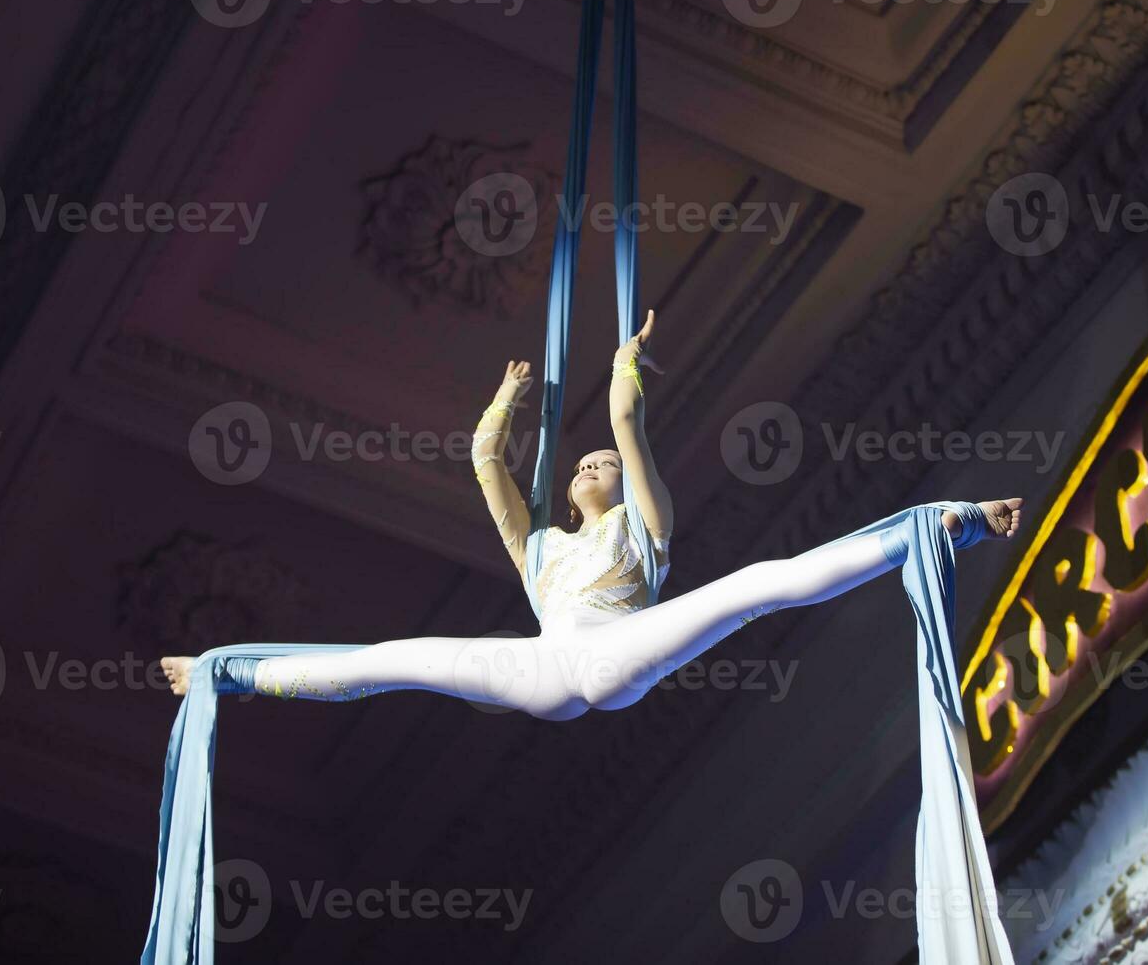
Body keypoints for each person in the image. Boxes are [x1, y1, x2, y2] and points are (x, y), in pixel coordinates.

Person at [159, 308, 1022, 719]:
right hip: (542, 669)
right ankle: (220, 673)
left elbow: (624, 423)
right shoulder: (537, 549)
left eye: (606, 465)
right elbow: (485, 463)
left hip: (615, 653)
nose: (598, 464)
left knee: (759, 583)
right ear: (567, 491)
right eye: (585, 467)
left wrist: (626, 363)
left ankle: (945, 522)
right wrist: (504, 399)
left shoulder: (646, 527)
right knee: (390, 659)